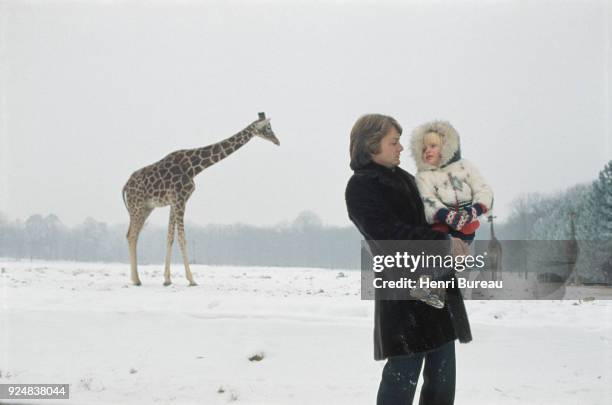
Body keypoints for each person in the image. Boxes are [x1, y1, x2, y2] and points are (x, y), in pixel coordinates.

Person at [345, 114, 472, 405]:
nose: (401, 148)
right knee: (400, 384)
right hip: (404, 298)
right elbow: (389, 237)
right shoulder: (361, 187)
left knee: (442, 384)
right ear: (371, 145)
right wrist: (443, 244)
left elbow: (439, 210)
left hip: (438, 290)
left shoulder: (408, 180)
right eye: (394, 142)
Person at [407, 120, 494, 307]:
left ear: (447, 147)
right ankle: (426, 285)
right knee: (441, 254)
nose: (427, 151)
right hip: (442, 225)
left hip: (467, 226)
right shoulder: (424, 176)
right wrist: (445, 214)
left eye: (433, 146)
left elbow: (484, 190)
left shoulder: (465, 168)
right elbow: (427, 199)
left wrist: (474, 211)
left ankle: (436, 290)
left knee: (457, 258)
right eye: (423, 148)